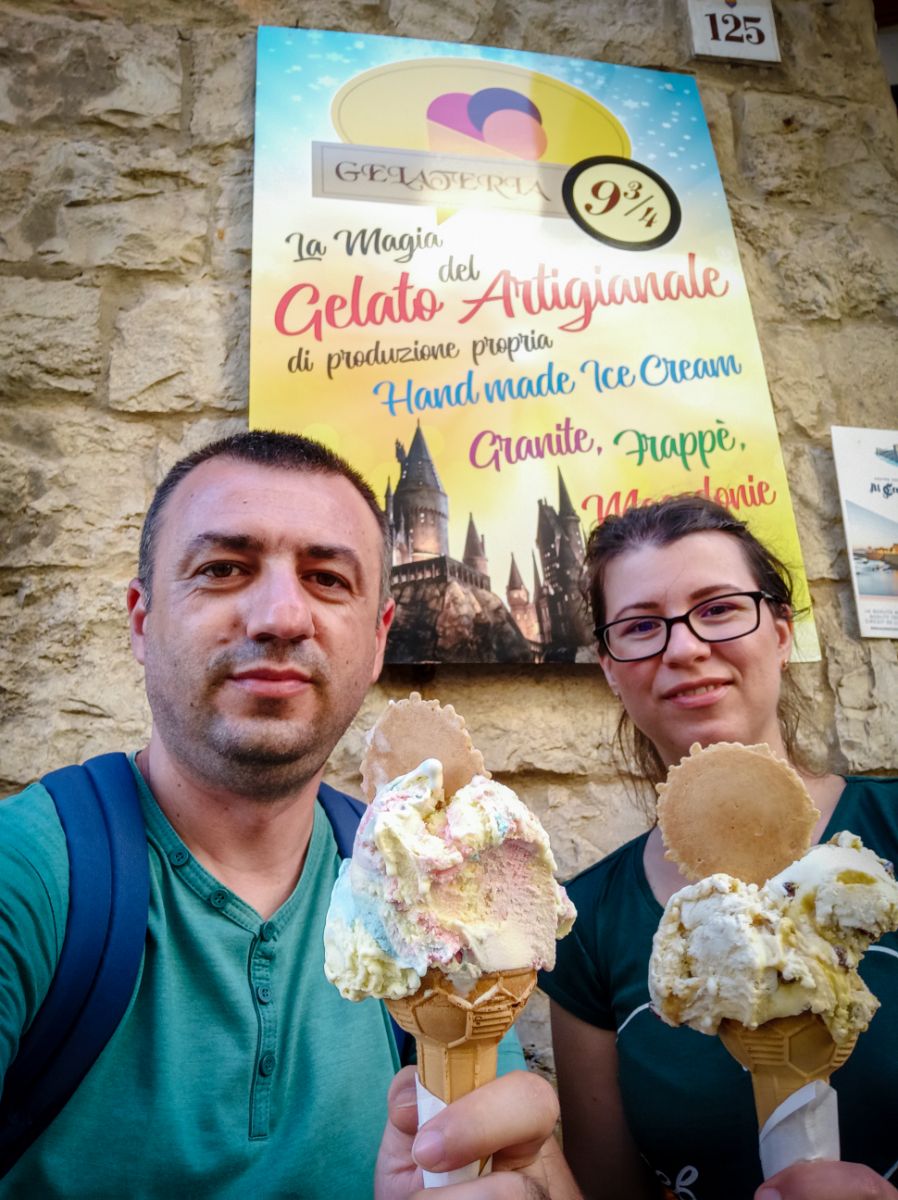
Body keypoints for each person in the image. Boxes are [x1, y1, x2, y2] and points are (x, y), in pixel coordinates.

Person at [0, 430, 578, 1200]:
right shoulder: (28, 877)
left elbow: (532, 1174)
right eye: (222, 569)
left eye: (327, 579)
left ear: (378, 639)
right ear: (140, 621)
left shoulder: (431, 885)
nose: (279, 617)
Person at [538, 495, 898, 1200]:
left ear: (781, 632)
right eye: (641, 626)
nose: (683, 648)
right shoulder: (586, 923)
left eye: (720, 608)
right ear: (610, 668)